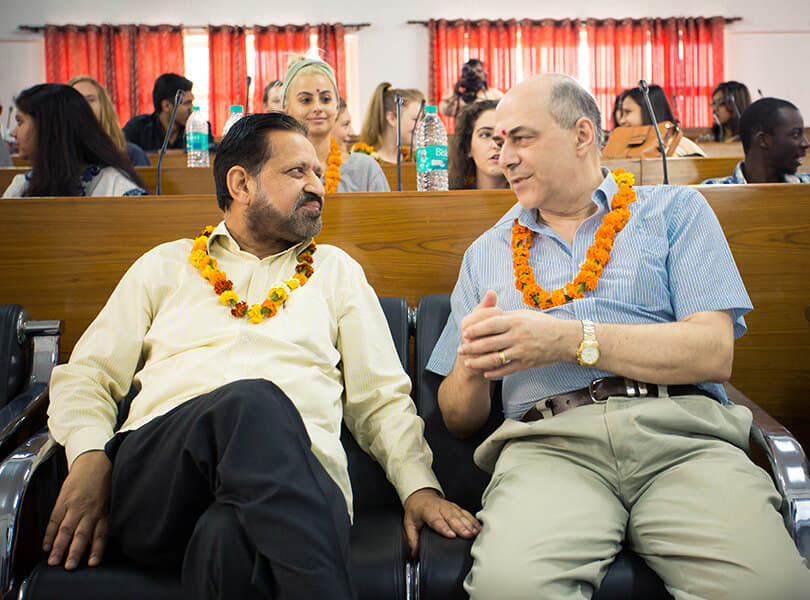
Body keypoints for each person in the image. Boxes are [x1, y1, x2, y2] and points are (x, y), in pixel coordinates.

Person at [43, 112, 480, 598]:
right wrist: (88, 456)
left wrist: (419, 487)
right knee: (253, 402)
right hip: (163, 480)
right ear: (241, 184)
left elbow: (380, 399)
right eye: (297, 172)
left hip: (303, 482)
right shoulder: (164, 265)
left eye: (318, 173)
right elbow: (87, 376)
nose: (317, 186)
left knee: (226, 537)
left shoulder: (335, 272)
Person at [427, 73, 810, 599]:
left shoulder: (676, 212)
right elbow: (457, 418)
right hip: (549, 449)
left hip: (683, 439)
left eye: (521, 138)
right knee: (510, 588)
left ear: (582, 135)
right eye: (498, 141)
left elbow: (714, 352)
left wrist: (565, 340)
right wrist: (473, 363)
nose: (505, 157)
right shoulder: (485, 254)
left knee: (768, 589)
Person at [3, 84, 146, 197]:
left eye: (20, 122)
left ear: (49, 128)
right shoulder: (22, 185)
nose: (13, 133)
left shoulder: (114, 187)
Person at [282, 55, 389, 193]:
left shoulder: (365, 170)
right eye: (306, 100)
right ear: (286, 109)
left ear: (337, 107)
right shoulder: (274, 170)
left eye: (326, 99)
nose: (317, 108)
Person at [702, 97, 809, 184]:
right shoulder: (710, 193)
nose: (806, 143)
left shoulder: (805, 184)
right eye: (796, 134)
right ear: (763, 140)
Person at [68, 76, 151, 167]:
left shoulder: (132, 154)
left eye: (91, 100)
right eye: (77, 100)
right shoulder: (60, 155)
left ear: (104, 106)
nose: (85, 106)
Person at [122, 73, 212, 152]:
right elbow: (120, 153)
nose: (191, 109)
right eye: (187, 103)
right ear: (167, 106)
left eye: (192, 103)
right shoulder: (138, 127)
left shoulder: (199, 128)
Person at [616, 85, 706, 156]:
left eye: (627, 112)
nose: (622, 120)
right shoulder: (632, 147)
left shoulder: (675, 147)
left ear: (649, 111)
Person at [448, 100, 508, 190]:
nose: (495, 145)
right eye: (485, 135)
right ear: (468, 147)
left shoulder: (529, 197)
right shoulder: (447, 196)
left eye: (503, 135)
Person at [358, 82, 423, 163]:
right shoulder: (363, 161)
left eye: (420, 120)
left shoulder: (415, 160)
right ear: (392, 118)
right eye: (415, 119)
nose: (420, 126)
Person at [439, 59, 504, 120]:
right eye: (470, 72)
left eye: (479, 71)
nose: (475, 74)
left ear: (484, 75)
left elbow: (504, 111)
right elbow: (445, 110)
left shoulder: (494, 94)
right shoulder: (457, 97)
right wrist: (455, 92)